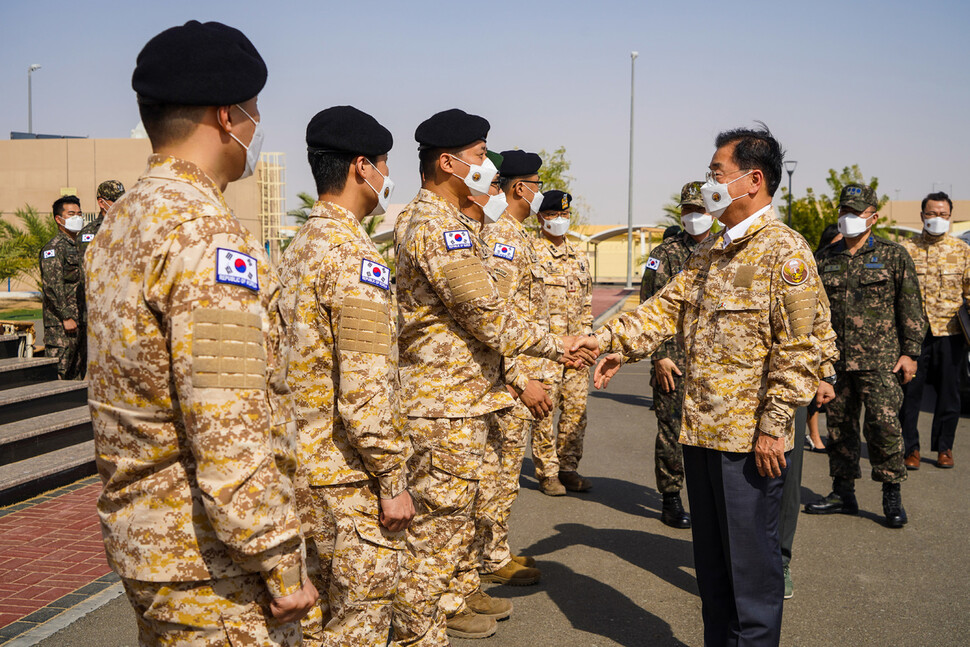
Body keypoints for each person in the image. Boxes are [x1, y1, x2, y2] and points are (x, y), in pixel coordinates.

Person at [85, 21, 317, 645]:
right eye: (254, 111)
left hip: (148, 545)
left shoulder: (124, 220)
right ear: (226, 115)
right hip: (211, 565)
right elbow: (227, 423)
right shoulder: (205, 237)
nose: (255, 123)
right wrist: (278, 557)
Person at [591, 124, 833, 646]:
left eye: (716, 173)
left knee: (752, 576)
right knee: (715, 575)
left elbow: (801, 349)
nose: (709, 184)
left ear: (752, 180)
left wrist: (773, 428)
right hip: (699, 433)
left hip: (750, 443)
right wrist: (606, 340)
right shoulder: (711, 251)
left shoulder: (784, 252)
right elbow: (663, 310)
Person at [391, 109, 598, 644]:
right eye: (481, 156)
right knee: (436, 524)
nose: (488, 167)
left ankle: (454, 594)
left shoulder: (454, 223)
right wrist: (560, 345)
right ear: (447, 161)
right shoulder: (435, 226)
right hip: (441, 400)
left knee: (456, 514)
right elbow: (486, 313)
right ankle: (423, 621)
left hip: (465, 395)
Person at [278, 106, 415, 646]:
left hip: (298, 471)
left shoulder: (297, 250)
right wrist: (393, 481)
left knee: (311, 627)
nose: (386, 176)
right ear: (362, 167)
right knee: (357, 625)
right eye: (383, 164)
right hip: (345, 479)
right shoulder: (356, 261)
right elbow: (364, 391)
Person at [804, 184, 925, 529]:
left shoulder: (893, 254)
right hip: (836, 362)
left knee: (884, 428)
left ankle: (892, 494)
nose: (848, 218)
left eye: (855, 213)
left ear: (872, 217)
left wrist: (910, 353)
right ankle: (843, 493)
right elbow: (813, 310)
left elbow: (911, 307)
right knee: (840, 428)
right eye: (844, 211)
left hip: (880, 361)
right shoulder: (825, 258)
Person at [638, 181, 713, 529]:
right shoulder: (664, 254)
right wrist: (660, 355)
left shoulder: (727, 249)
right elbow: (648, 309)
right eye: (688, 210)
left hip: (717, 361)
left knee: (712, 433)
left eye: (700, 209)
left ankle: (709, 499)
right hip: (674, 360)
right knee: (671, 430)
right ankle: (670, 497)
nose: (694, 216)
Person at [899, 192, 970, 469]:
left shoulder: (962, 251)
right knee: (910, 393)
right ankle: (911, 449)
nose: (937, 219)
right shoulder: (905, 249)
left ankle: (944, 448)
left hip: (951, 333)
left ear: (950, 217)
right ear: (922, 216)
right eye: (932, 213)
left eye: (943, 214)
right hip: (915, 335)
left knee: (949, 393)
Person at [531, 189, 595, 496]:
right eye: (554, 215)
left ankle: (569, 467)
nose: (560, 221)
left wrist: (585, 343)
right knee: (546, 411)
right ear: (540, 217)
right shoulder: (531, 252)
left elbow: (586, 305)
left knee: (576, 412)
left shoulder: (580, 256)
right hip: (547, 352)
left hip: (577, 351)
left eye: (565, 215)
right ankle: (548, 472)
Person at [805, 224, 843, 451]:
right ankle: (814, 435)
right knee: (814, 398)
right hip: (820, 336)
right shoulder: (818, 261)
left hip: (843, 339)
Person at [40, 195, 86, 380]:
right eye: (72, 214)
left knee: (77, 371)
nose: (78, 218)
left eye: (80, 213)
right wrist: (66, 316)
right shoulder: (54, 248)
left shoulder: (78, 246)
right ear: (59, 219)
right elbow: (52, 285)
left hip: (80, 318)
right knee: (59, 371)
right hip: (61, 324)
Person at [78, 179, 124, 259]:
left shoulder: (130, 226)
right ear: (101, 203)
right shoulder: (90, 232)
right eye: (116, 200)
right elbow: (86, 266)